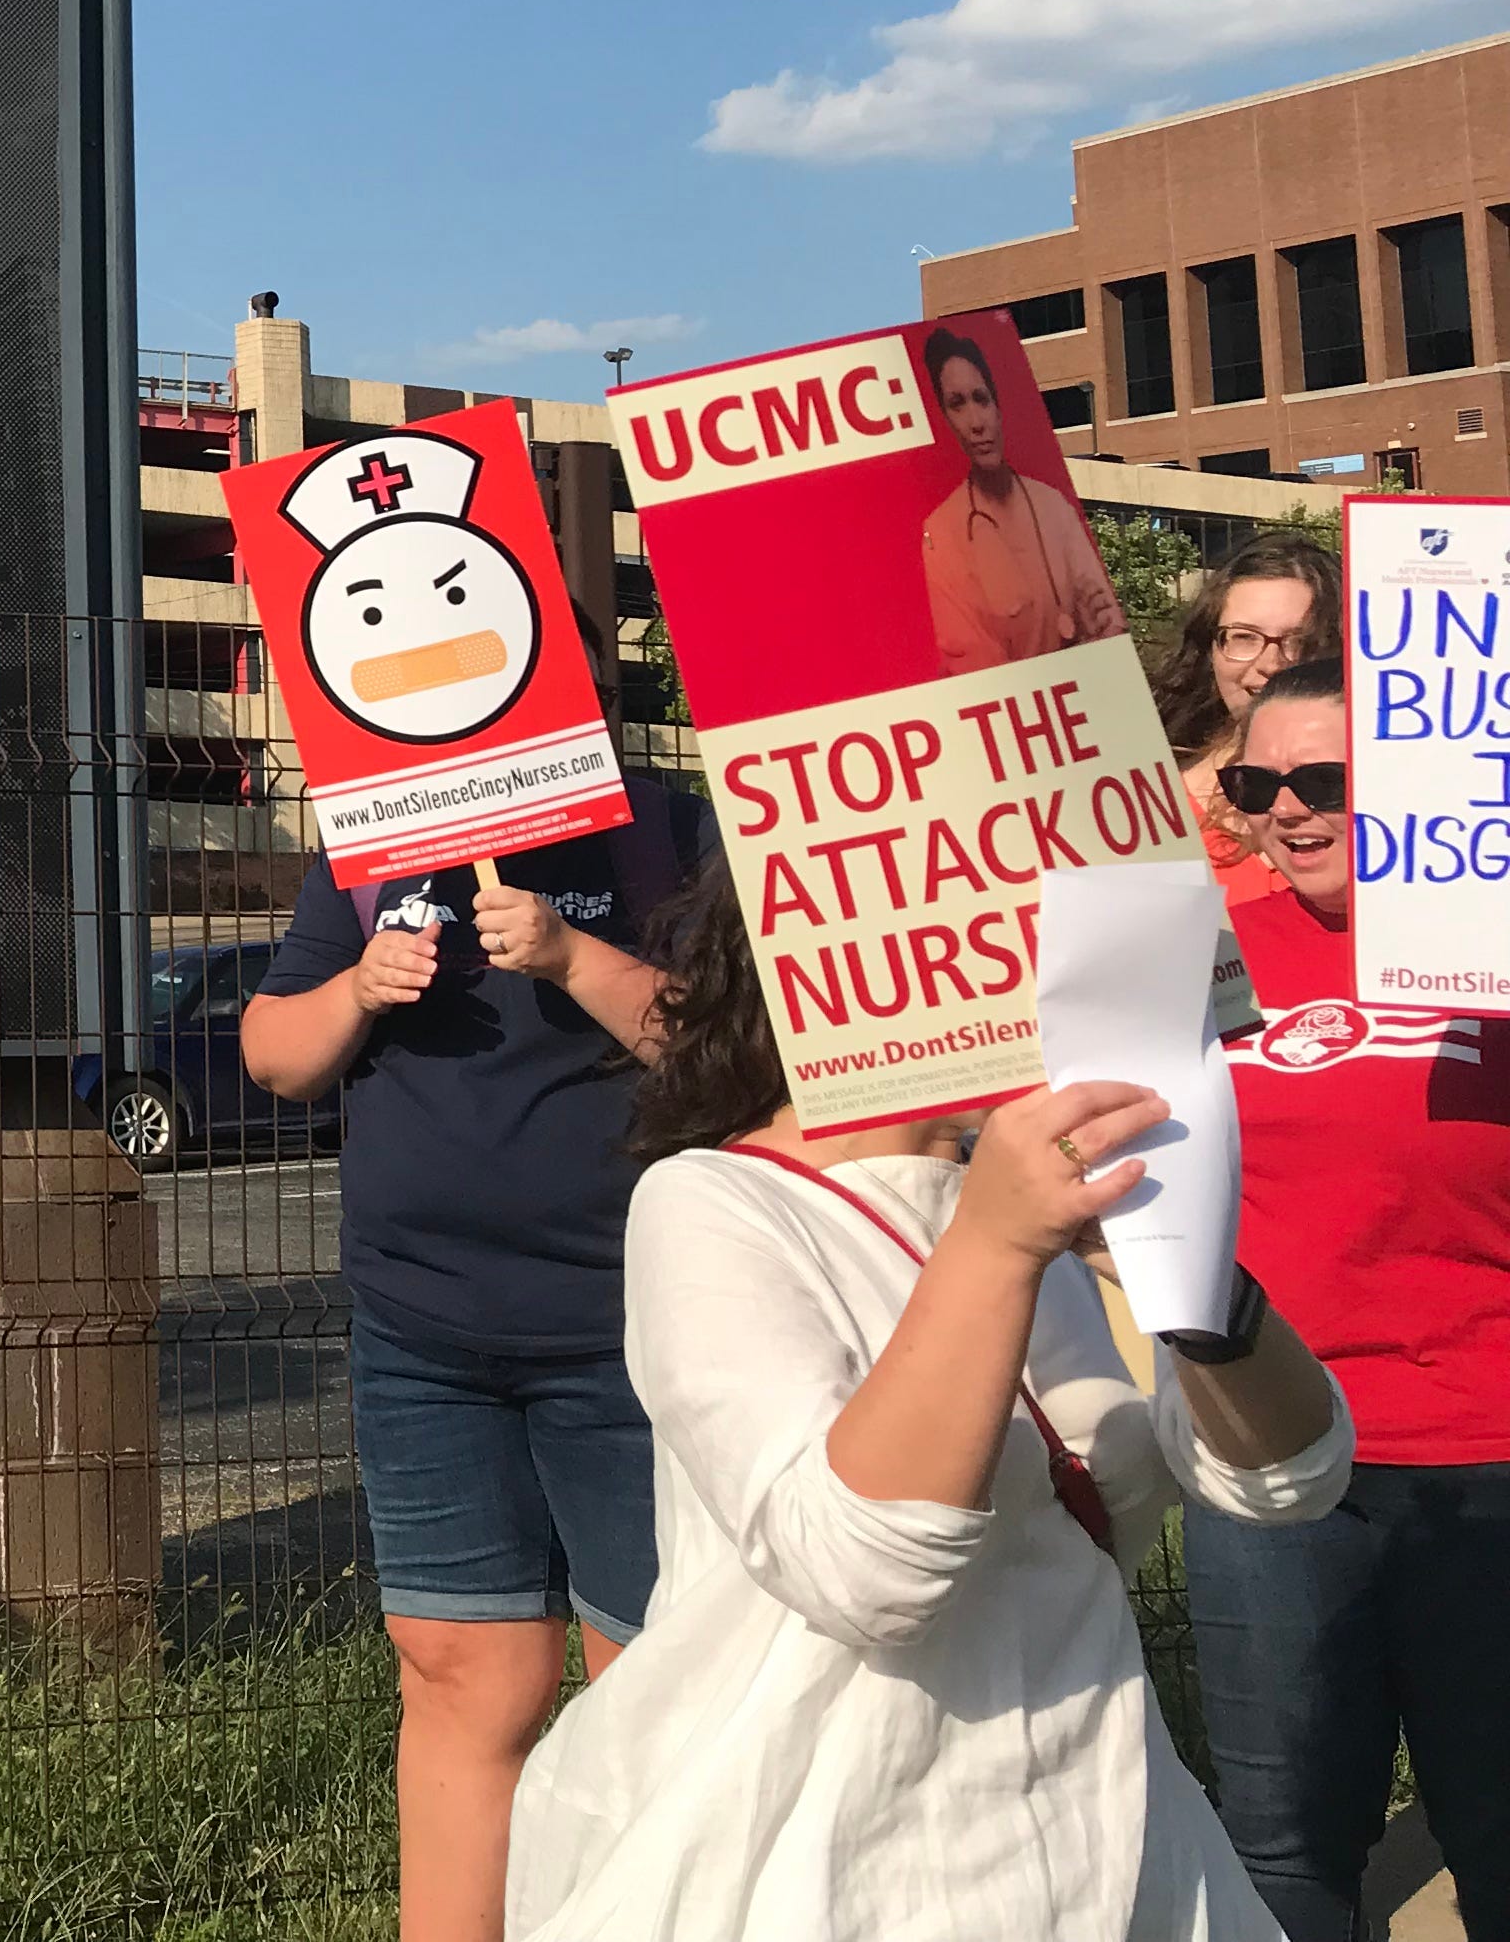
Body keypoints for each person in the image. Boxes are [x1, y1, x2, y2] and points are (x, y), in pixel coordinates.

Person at [507, 870, 1352, 1941]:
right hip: (837, 1866)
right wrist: (995, 1247)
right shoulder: (714, 1202)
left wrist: (1196, 1286)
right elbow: (865, 1571)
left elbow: (1288, 1478)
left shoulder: (1026, 1203)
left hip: (1110, 1846)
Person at [244, 687, 717, 1942]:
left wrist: (574, 957)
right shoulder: (372, 849)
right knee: (460, 1674)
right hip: (423, 1334)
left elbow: (731, 1052)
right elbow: (275, 1053)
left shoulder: (671, 838)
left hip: (631, 1337)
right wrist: (357, 987)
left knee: (653, 1683)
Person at [1187, 658, 1510, 1940]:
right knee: (1281, 1851)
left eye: (1326, 779)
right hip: (1266, 1463)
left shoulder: (1487, 941)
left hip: (1486, 1460)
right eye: (1261, 783)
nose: (1291, 809)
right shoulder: (1201, 951)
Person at [916, 325, 1126, 673]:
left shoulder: (1054, 506)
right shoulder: (941, 532)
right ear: (945, 420)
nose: (976, 422)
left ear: (998, 408)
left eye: (981, 399)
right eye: (957, 405)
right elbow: (974, 665)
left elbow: (1108, 620)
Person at [1147, 532, 1338, 906]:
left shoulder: (1392, 802)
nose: (1270, 665)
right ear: (1209, 650)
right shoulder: (1154, 819)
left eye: (1300, 641)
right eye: (1244, 637)